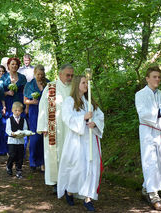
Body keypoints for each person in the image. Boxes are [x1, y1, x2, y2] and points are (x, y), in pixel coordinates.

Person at [57, 76, 104, 212]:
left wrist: (95, 123)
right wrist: (82, 118)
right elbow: (67, 118)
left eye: (87, 83)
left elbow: (100, 116)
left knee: (92, 166)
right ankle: (70, 191)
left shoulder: (91, 102)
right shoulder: (69, 101)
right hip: (76, 140)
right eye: (84, 83)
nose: (86, 85)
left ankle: (88, 198)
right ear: (77, 84)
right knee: (78, 168)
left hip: (91, 139)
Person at [135, 66, 161, 211]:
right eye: (154, 76)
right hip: (147, 133)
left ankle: (147, 189)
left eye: (159, 77)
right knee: (150, 162)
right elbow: (143, 113)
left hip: (160, 134)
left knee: (159, 162)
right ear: (147, 78)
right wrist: (160, 111)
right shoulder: (140, 94)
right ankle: (154, 197)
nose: (157, 79)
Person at [37, 64, 74, 193]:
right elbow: (42, 107)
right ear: (60, 74)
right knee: (55, 154)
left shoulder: (75, 88)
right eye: (67, 75)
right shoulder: (51, 87)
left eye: (71, 75)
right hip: (54, 127)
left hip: (71, 128)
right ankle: (55, 182)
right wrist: (43, 126)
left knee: (69, 154)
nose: (70, 77)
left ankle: (69, 182)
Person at [24, 65, 49, 172]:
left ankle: (43, 162)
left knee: (44, 137)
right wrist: (31, 102)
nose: (40, 76)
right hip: (34, 112)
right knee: (35, 137)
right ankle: (33, 161)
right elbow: (25, 100)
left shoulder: (48, 83)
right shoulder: (29, 85)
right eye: (38, 74)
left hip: (46, 112)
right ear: (34, 73)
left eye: (41, 75)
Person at [6, 101, 28, 179]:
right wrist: (12, 133)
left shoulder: (23, 120)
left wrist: (23, 133)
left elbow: (25, 129)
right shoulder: (9, 120)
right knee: (12, 155)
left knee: (20, 156)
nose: (17, 112)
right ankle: (9, 166)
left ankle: (19, 170)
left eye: (19, 111)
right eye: (16, 110)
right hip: (12, 141)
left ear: (21, 111)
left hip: (20, 141)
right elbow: (7, 130)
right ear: (12, 110)